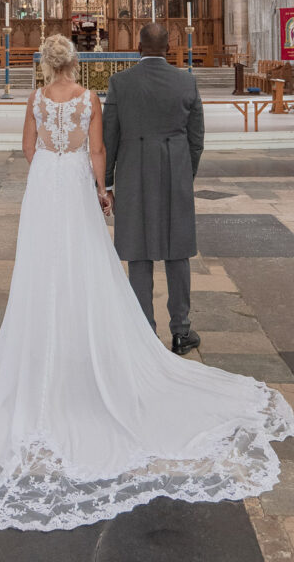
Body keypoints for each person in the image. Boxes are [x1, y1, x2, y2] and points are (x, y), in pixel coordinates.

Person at [0, 34, 294, 531]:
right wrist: (101, 187)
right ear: (76, 64)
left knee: (51, 261)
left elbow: (30, 147)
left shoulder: (43, 97)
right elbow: (105, 147)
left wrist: (54, 175)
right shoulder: (102, 95)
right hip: (94, 180)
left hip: (47, 187)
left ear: (44, 64)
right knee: (107, 258)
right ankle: (150, 329)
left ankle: (71, 334)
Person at [102, 22, 204, 353]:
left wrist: (106, 182)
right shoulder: (186, 81)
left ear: (138, 46)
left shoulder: (120, 82)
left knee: (138, 252)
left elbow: (109, 137)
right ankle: (181, 330)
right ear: (169, 47)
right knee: (177, 251)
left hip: (133, 171)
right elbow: (196, 138)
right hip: (175, 168)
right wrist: (184, 173)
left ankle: (144, 329)